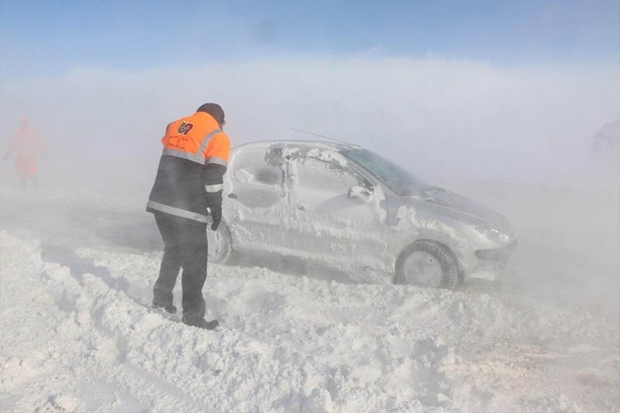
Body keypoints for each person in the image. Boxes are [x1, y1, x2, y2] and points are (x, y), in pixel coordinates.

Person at [146, 103, 230, 330]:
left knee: (173, 250)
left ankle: (161, 299)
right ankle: (193, 317)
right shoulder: (217, 136)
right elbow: (213, 178)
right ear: (220, 121)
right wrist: (216, 207)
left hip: (160, 203)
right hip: (187, 208)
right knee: (194, 263)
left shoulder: (175, 125)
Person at [4, 118, 46, 188]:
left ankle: (36, 187)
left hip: (30, 158)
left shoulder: (33, 133)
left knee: (33, 173)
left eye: (25, 124)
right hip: (20, 158)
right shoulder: (17, 133)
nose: (24, 125)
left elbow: (39, 142)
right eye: (22, 124)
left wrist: (43, 151)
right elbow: (12, 144)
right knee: (20, 173)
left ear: (28, 124)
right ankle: (23, 188)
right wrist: (7, 153)